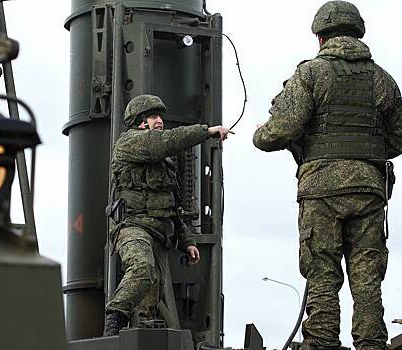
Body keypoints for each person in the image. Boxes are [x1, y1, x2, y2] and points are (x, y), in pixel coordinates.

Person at [253, 2, 402, 350]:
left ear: (320, 37)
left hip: (321, 188)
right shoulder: (382, 79)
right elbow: (398, 138)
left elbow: (281, 130)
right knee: (367, 276)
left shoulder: (310, 74)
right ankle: (370, 343)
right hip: (368, 188)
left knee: (322, 271)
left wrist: (261, 134)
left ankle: (321, 342)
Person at [103, 94, 232, 336]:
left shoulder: (165, 163)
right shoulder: (130, 143)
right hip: (132, 226)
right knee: (142, 268)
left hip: (160, 233)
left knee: (149, 303)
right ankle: (115, 319)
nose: (159, 120)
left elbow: (172, 207)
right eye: (153, 116)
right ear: (141, 122)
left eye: (160, 116)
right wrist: (207, 131)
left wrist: (187, 242)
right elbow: (167, 141)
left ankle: (139, 337)